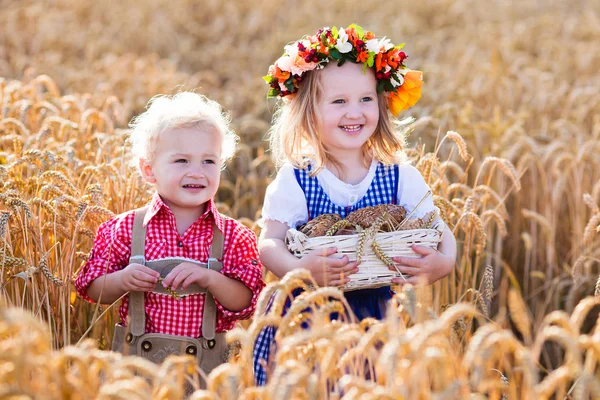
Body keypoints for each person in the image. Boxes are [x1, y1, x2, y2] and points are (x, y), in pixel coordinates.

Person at [253, 24, 457, 384]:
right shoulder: (297, 178)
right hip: (308, 315)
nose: (355, 112)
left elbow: (440, 230)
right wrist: (300, 269)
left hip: (377, 315)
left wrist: (443, 261)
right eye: (338, 102)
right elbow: (268, 242)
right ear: (309, 112)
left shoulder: (400, 176)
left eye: (366, 99)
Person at [74, 92, 265, 378]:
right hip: (137, 371)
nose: (197, 172)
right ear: (149, 170)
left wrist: (211, 279)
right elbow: (91, 288)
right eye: (182, 161)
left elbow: (246, 302)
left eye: (209, 162)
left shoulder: (234, 236)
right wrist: (121, 279)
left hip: (208, 375)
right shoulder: (125, 228)